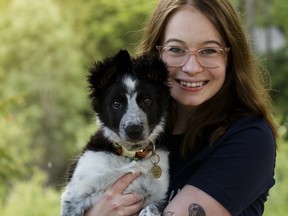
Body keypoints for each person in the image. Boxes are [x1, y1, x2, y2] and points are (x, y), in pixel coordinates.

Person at [85, 0, 278, 215]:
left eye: (209, 51)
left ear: (230, 57)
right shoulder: (132, 130)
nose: (192, 67)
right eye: (176, 49)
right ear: (155, 56)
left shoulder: (249, 139)